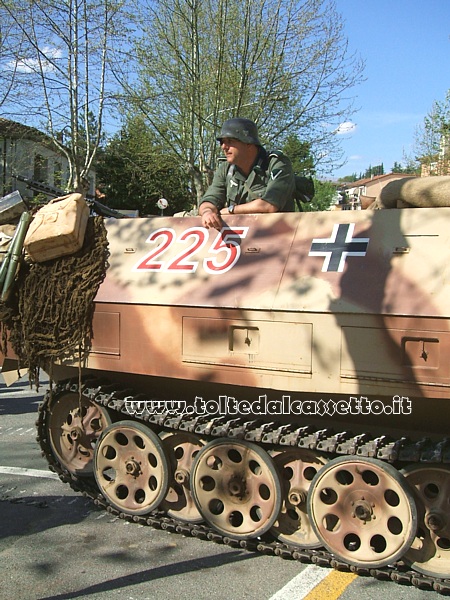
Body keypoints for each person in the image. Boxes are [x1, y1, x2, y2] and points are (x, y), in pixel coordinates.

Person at [199, 117, 295, 229]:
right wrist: (207, 212)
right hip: (242, 237)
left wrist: (230, 210)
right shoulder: (226, 168)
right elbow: (210, 199)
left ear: (249, 143)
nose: (224, 147)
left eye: (230, 141)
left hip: (276, 234)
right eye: (222, 142)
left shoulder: (276, 163)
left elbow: (269, 205)